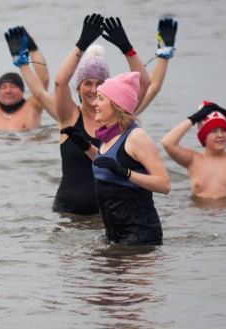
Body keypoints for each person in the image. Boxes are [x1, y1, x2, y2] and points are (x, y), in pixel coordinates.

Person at [43, 14, 156, 215]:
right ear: (78, 87)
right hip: (68, 215)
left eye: (100, 83)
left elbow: (145, 84)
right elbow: (60, 82)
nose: (94, 90)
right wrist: (82, 44)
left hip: (109, 217)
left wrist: (127, 49)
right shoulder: (69, 116)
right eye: (88, 83)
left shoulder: (118, 116)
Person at [63, 71, 170, 245]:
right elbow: (108, 166)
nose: (95, 103)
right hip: (114, 236)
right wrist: (85, 146)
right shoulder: (109, 136)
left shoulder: (136, 137)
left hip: (140, 235)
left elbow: (164, 185)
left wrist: (126, 173)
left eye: (101, 98)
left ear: (116, 105)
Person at [161, 102, 226, 200]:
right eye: (214, 131)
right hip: (200, 218)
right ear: (204, 137)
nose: (220, 135)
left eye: (224, 130)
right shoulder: (193, 160)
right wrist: (193, 119)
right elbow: (167, 142)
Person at [0, 26, 50, 131]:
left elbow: (44, 80)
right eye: (4, 87)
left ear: (22, 90)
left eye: (13, 86)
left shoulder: (33, 106)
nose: (8, 91)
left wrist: (32, 47)